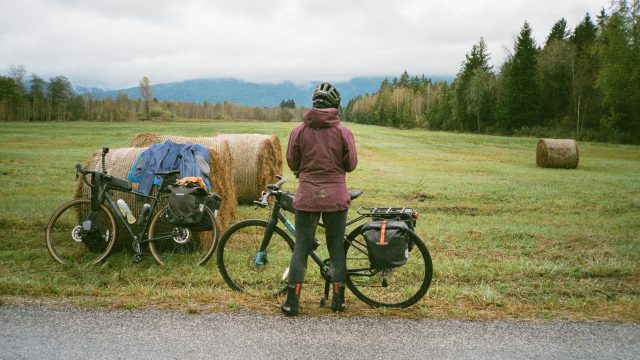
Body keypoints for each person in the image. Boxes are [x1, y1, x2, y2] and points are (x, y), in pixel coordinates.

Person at [281, 82, 358, 316]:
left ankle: (292, 303)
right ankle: (338, 301)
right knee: (336, 248)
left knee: (301, 248)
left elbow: (292, 163)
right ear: (335, 105)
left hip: (307, 196)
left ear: (314, 104)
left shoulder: (299, 131)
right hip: (336, 196)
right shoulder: (343, 131)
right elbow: (351, 164)